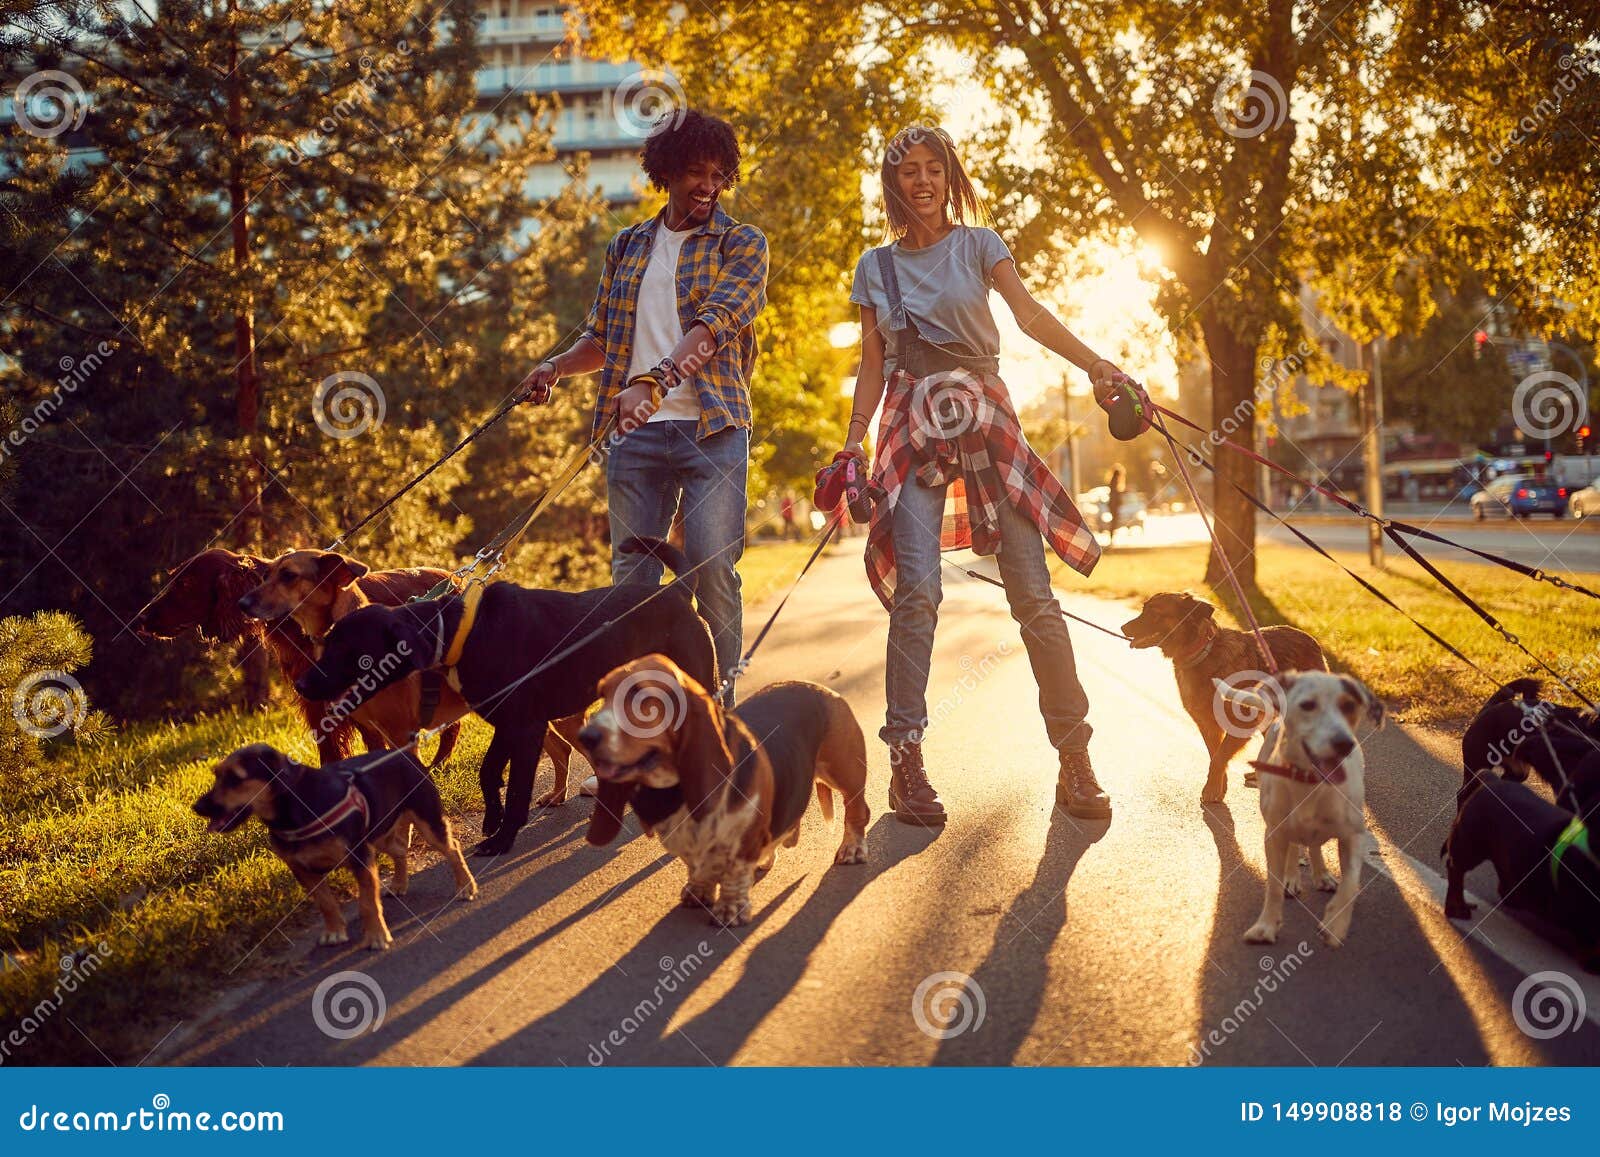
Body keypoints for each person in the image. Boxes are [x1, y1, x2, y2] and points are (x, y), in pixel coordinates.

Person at [842, 123, 1129, 825]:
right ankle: (905, 762)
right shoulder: (873, 268)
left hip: (986, 415)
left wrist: (1098, 364)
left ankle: (1074, 757)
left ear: (950, 174)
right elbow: (873, 365)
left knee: (1034, 596)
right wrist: (852, 445)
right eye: (907, 170)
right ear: (892, 184)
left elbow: (1028, 315)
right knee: (918, 593)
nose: (922, 180)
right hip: (911, 422)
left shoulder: (980, 244)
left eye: (933, 166)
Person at [517, 109, 768, 705]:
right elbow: (603, 340)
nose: (706, 185)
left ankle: (716, 711)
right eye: (693, 172)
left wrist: (654, 381)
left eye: (717, 173)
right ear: (666, 174)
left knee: (711, 570)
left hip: (713, 429)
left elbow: (716, 326)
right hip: (634, 434)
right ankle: (637, 720)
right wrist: (554, 367)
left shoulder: (743, 243)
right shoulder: (627, 246)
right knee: (630, 582)